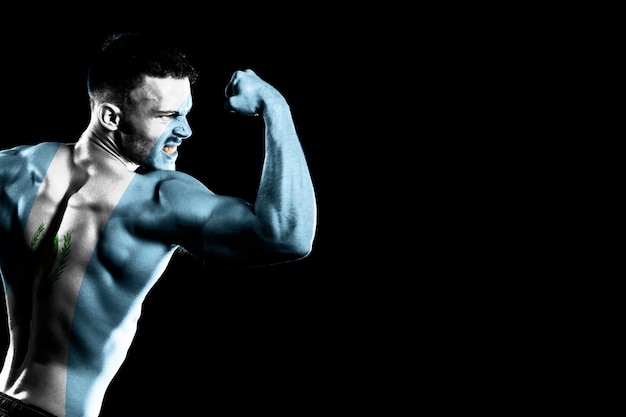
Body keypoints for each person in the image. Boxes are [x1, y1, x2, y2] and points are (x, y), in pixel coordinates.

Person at [0, 32, 317, 417]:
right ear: (111, 117)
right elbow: (288, 234)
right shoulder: (156, 199)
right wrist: (275, 107)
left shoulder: (14, 168)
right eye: (168, 116)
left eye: (185, 113)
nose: (185, 130)